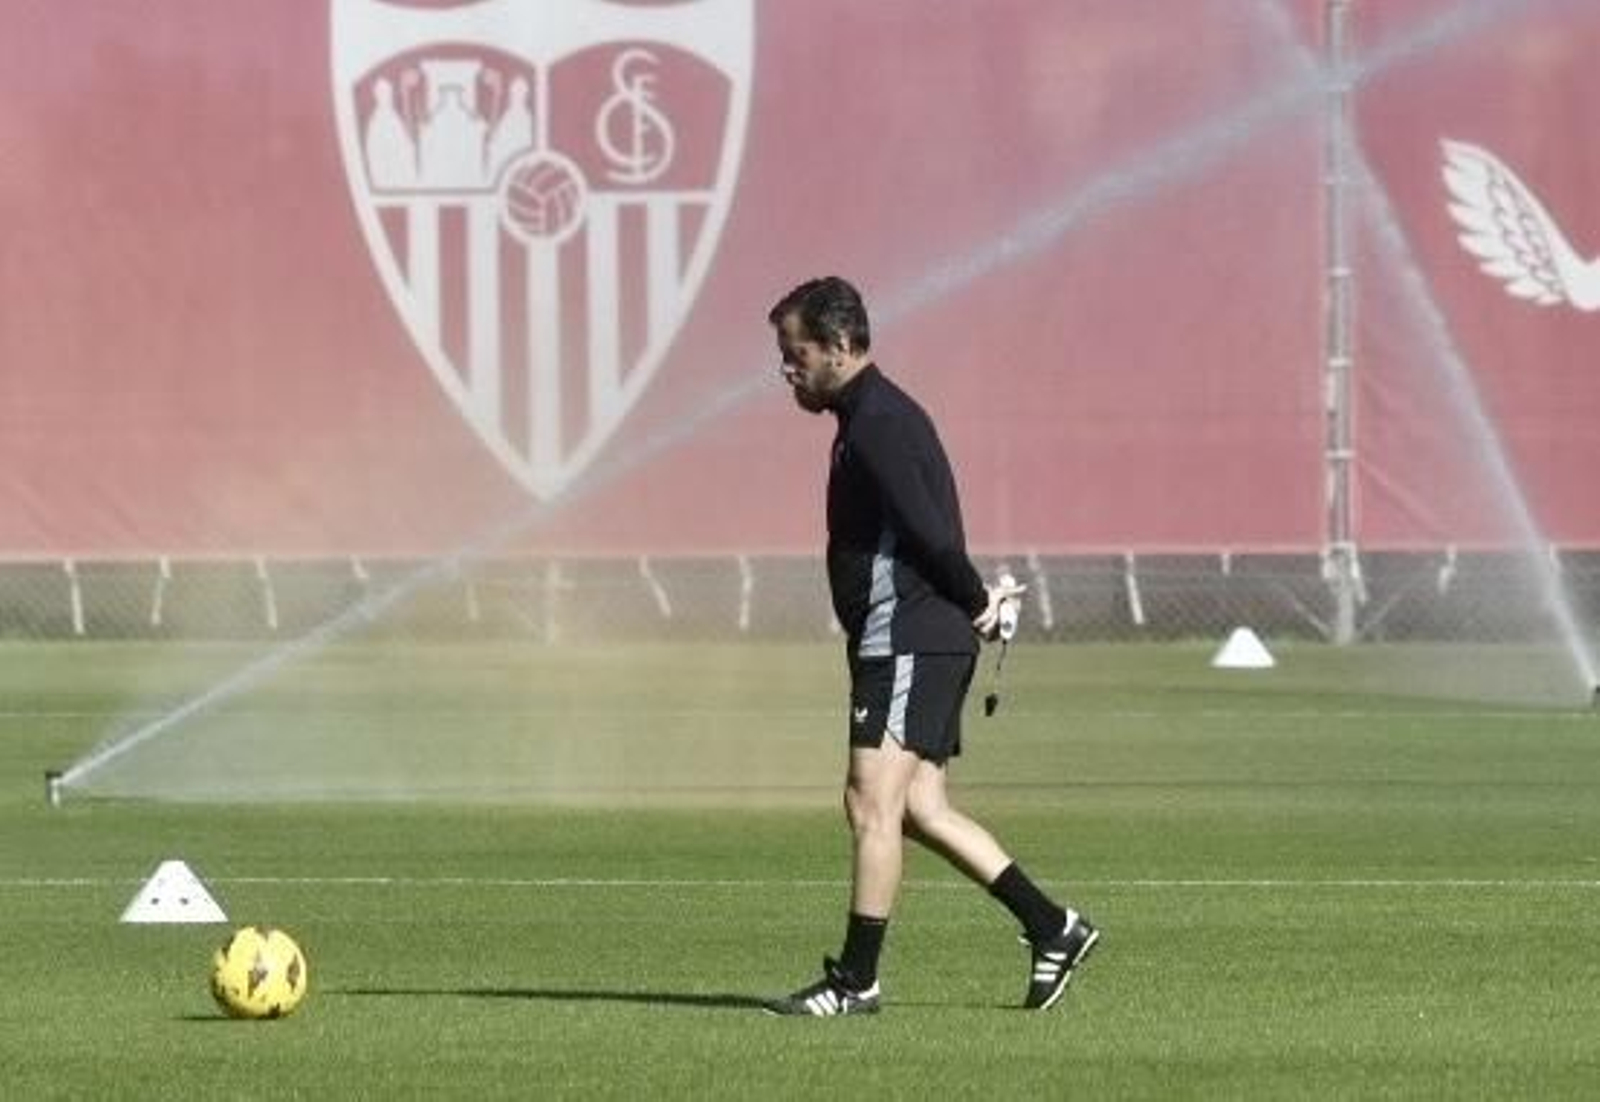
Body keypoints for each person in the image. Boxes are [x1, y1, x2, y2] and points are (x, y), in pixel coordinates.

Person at [763, 276, 1098, 1016]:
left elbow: (929, 531)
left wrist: (978, 601)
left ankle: (857, 981)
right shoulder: (867, 415)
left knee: (868, 802)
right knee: (919, 808)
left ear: (841, 346)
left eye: (797, 353)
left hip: (909, 637)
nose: (787, 367)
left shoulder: (878, 420)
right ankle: (1054, 927)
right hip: (913, 637)